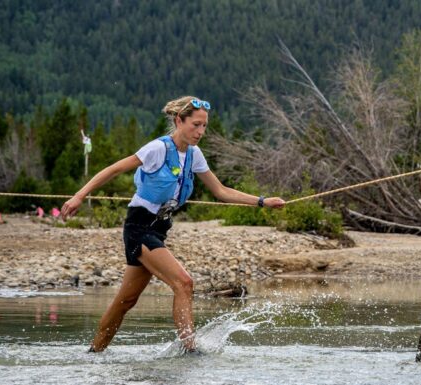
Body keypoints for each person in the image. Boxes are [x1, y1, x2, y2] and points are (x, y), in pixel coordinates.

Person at [61, 96, 285, 353]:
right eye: (195, 125)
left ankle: (94, 353)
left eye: (204, 126)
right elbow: (113, 169)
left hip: (158, 229)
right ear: (179, 121)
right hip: (139, 228)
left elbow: (220, 191)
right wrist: (79, 195)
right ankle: (190, 349)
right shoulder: (157, 149)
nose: (200, 132)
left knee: (126, 300)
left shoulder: (194, 155)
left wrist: (262, 201)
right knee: (184, 282)